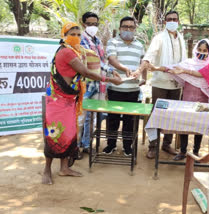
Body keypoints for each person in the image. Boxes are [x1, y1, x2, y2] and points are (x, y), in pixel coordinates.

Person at [42, 22, 121, 184]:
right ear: (64, 35)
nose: (76, 37)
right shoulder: (66, 53)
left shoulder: (77, 52)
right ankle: (46, 170)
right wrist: (110, 79)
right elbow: (85, 72)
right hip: (57, 102)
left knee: (69, 134)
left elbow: (95, 62)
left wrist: (108, 71)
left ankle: (64, 168)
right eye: (72, 34)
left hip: (70, 101)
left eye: (79, 35)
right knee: (53, 134)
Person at [132, 11, 187, 159]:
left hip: (177, 84)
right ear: (165, 22)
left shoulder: (181, 38)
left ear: (179, 21)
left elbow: (185, 61)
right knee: (157, 114)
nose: (172, 21)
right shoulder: (159, 38)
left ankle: (166, 144)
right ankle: (153, 145)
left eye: (175, 19)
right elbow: (149, 56)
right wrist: (139, 70)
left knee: (171, 115)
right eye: (169, 19)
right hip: (160, 83)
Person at [149, 39, 209, 161]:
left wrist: (185, 71)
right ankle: (183, 151)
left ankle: (195, 152)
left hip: (202, 100)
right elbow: (170, 68)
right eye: (199, 50)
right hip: (187, 99)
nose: (201, 52)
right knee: (185, 125)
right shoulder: (188, 63)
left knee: (199, 127)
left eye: (205, 50)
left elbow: (206, 76)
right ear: (195, 50)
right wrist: (156, 68)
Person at [102, 16, 145, 156]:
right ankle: (111, 145)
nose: (128, 29)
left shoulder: (140, 44)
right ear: (120, 28)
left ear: (135, 29)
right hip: (115, 88)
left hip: (133, 89)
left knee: (130, 120)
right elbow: (112, 59)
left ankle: (127, 146)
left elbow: (143, 63)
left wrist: (144, 78)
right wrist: (125, 68)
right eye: (125, 27)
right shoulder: (113, 42)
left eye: (131, 27)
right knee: (112, 118)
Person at [80, 12, 115, 154]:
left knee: (97, 116)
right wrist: (111, 71)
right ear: (83, 24)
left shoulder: (98, 41)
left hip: (99, 84)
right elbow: (91, 61)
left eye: (95, 24)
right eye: (89, 24)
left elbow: (103, 60)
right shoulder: (81, 39)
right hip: (87, 84)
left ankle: (87, 142)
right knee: (83, 117)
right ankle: (78, 146)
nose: (92, 26)